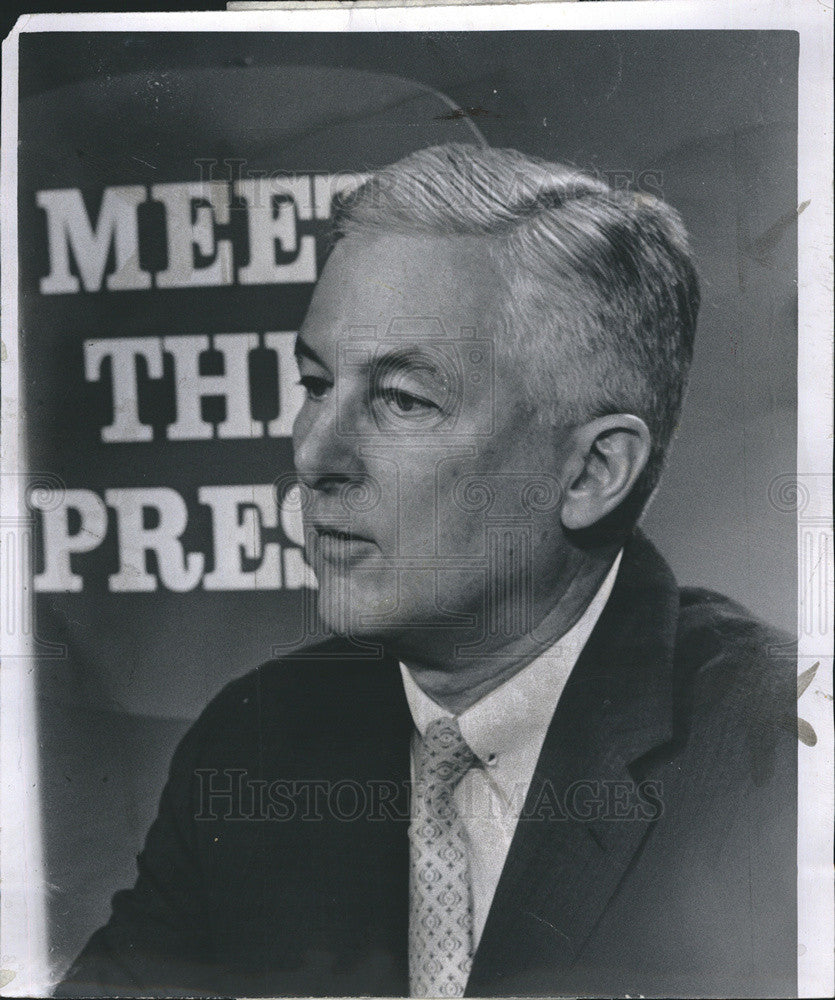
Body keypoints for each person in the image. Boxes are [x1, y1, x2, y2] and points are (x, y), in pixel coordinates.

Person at [55, 144, 796, 999]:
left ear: (592, 473)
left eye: (402, 399)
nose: (312, 454)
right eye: (313, 382)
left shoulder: (780, 763)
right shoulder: (256, 742)